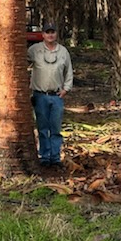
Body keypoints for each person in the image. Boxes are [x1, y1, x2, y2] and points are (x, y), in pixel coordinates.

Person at [28, 22, 73, 167]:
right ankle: (44, 157)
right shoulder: (35, 50)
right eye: (47, 32)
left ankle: (55, 158)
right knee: (42, 128)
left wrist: (66, 89)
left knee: (55, 129)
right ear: (43, 35)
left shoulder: (63, 52)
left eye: (52, 32)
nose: (50, 35)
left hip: (56, 96)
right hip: (40, 95)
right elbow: (20, 61)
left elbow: (69, 72)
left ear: (56, 34)